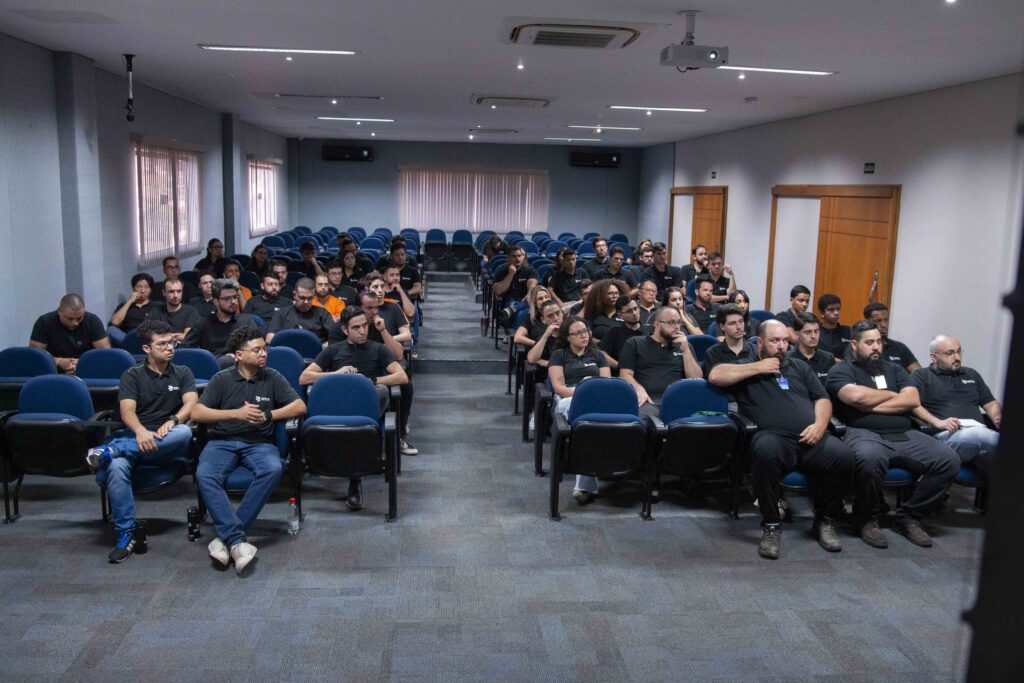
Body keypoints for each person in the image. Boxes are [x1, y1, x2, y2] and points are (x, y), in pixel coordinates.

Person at [708, 320, 855, 559]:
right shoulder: (748, 366)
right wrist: (758, 368)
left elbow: (822, 399)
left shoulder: (799, 367)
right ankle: (772, 525)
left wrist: (819, 425)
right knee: (764, 450)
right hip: (774, 437)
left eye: (785, 340)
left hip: (811, 435)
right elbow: (716, 375)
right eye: (775, 341)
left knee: (844, 456)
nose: (781, 346)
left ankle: (824, 520)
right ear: (761, 342)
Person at [826, 320, 959, 549]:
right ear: (855, 344)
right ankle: (867, 519)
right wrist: (893, 397)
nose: (876, 346)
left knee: (949, 460)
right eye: (869, 342)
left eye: (879, 341)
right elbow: (856, 398)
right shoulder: (841, 370)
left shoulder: (895, 369)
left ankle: (908, 516)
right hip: (864, 432)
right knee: (868, 460)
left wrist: (872, 404)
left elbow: (912, 399)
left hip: (905, 433)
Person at [193, 326, 306, 574]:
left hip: (258, 443)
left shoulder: (272, 377)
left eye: (264, 349)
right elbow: (197, 412)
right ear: (238, 355)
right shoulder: (221, 379)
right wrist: (236, 413)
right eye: (256, 350)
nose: (263, 354)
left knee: (274, 468)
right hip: (222, 441)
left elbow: (299, 406)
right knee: (205, 475)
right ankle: (236, 541)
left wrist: (269, 415)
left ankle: (226, 538)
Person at [84, 320, 197, 563]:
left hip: (167, 442)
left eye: (172, 342)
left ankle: (110, 450)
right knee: (116, 467)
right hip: (136, 438)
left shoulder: (182, 372)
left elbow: (191, 403)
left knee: (186, 433)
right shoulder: (132, 375)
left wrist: (175, 419)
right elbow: (127, 412)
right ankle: (126, 533)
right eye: (163, 344)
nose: (170, 348)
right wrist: (140, 431)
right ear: (146, 349)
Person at [300, 307, 409, 509]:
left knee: (381, 390)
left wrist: (369, 380)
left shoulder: (378, 349)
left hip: (367, 408)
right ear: (345, 330)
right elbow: (305, 377)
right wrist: (337, 375)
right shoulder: (333, 350)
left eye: (364, 326)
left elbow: (401, 376)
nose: (362, 331)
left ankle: (354, 480)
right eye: (356, 327)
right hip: (338, 406)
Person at [911, 334, 1001, 475]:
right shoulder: (922, 375)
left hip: (977, 437)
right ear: (934, 357)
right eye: (950, 353)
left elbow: (990, 403)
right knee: (982, 436)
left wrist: (997, 417)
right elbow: (912, 405)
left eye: (959, 351)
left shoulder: (971, 374)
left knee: (1003, 461)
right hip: (944, 437)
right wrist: (937, 422)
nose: (957, 357)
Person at [548, 317, 611, 505]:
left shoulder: (598, 355)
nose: (584, 335)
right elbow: (558, 386)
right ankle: (584, 484)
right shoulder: (559, 355)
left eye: (585, 331)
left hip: (595, 398)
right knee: (587, 423)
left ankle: (585, 483)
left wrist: (590, 393)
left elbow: (605, 384)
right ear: (568, 337)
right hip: (568, 398)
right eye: (578, 333)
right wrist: (582, 392)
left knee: (588, 430)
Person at [618, 306, 702, 418]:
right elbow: (625, 375)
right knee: (644, 422)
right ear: (657, 324)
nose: (677, 327)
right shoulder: (635, 343)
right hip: (647, 400)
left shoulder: (685, 346)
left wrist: (686, 350)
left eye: (678, 323)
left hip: (678, 399)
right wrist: (638, 389)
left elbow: (696, 379)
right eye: (671, 322)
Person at [30, 294, 110, 373]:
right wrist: (58, 361)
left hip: (88, 369)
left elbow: (105, 355)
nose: (75, 323)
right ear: (59, 311)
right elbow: (36, 357)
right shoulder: (44, 323)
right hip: (54, 371)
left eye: (79, 318)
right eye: (70, 319)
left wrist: (82, 362)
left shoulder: (92, 321)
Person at [182, 278, 260, 361]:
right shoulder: (203, 323)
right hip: (213, 368)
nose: (233, 301)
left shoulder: (246, 321)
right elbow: (184, 349)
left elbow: (260, 347)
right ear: (216, 302)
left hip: (241, 367)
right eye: (227, 299)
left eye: (235, 297)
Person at [266, 277, 333, 344]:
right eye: (302, 298)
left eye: (310, 298)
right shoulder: (281, 313)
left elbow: (335, 338)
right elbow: (269, 339)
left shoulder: (323, 313)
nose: (306, 302)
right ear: (294, 295)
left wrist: (322, 348)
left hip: (316, 351)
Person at [701, 304, 757, 378]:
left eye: (741, 321)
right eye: (732, 323)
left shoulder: (756, 350)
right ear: (722, 326)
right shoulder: (712, 354)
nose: (739, 327)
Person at [863, 302, 921, 372]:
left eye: (886, 320)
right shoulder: (860, 348)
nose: (884, 325)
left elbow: (919, 374)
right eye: (878, 321)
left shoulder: (899, 347)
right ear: (867, 322)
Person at [599, 295, 647, 371]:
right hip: (621, 374)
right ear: (620, 315)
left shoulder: (649, 330)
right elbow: (602, 353)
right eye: (629, 311)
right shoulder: (614, 331)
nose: (634, 313)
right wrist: (620, 366)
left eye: (635, 308)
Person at [109, 273, 160, 344]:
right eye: (139, 287)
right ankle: (130, 344)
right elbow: (114, 322)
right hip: (128, 339)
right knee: (111, 330)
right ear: (133, 288)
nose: (142, 290)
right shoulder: (124, 306)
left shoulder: (156, 306)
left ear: (150, 290)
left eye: (146, 287)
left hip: (149, 339)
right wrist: (129, 302)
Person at [788, 312, 836, 382]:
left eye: (816, 331)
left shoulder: (828, 358)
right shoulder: (788, 359)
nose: (813, 336)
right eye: (808, 332)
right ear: (797, 334)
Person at [153, 277, 201, 343]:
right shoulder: (155, 312)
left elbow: (188, 337)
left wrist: (164, 336)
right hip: (162, 351)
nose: (176, 295)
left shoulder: (191, 311)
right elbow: (150, 337)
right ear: (164, 292)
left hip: (185, 351)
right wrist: (178, 337)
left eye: (179, 291)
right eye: (171, 292)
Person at [493, 245, 539, 309]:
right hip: (510, 301)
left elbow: (532, 283)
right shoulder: (501, 270)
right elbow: (498, 290)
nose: (517, 259)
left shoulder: (530, 269)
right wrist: (511, 274)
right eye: (514, 256)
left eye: (519, 256)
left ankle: (515, 308)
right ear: (508, 258)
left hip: (526, 299)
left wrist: (529, 294)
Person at [524, 300, 564, 370]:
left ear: (562, 313)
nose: (556, 318)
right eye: (550, 316)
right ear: (543, 320)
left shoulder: (572, 334)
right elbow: (531, 359)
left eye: (558, 313)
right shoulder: (543, 338)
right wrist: (546, 335)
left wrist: (549, 363)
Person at [817, 293, 851, 359]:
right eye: (831, 310)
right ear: (822, 313)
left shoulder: (848, 331)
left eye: (838, 309)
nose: (836, 313)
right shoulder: (815, 333)